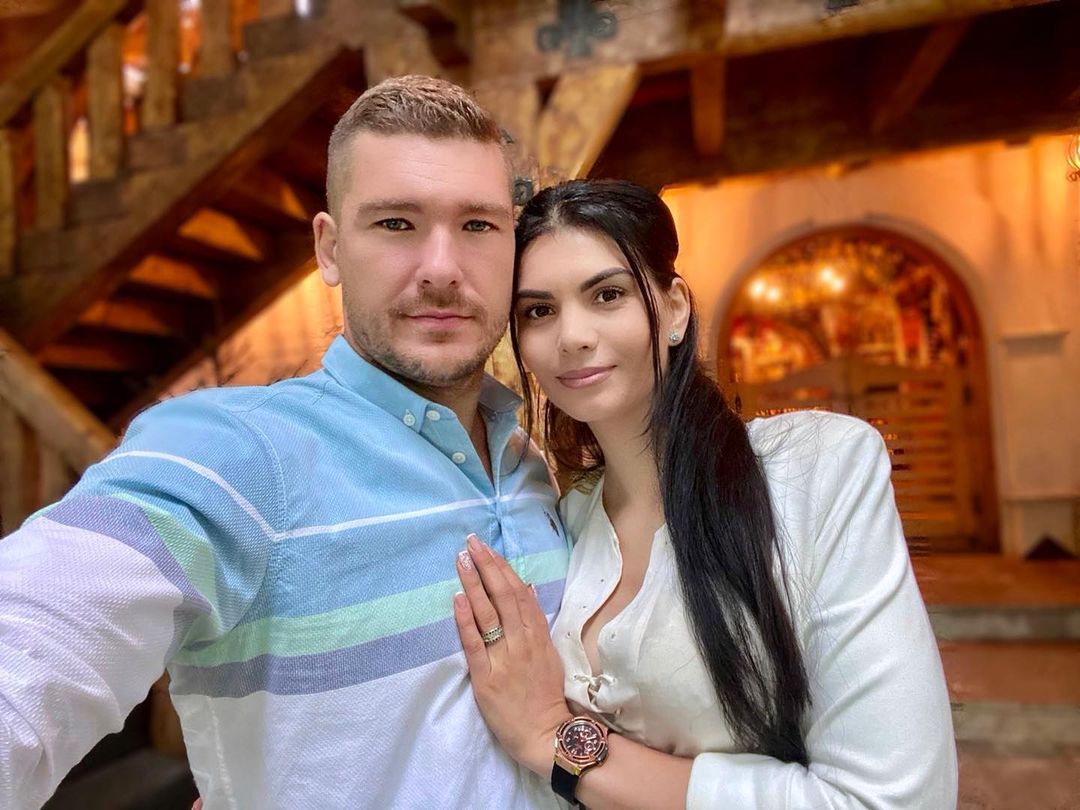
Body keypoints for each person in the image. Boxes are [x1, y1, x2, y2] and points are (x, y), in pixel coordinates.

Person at [0, 76, 569, 809]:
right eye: (396, 223)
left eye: (478, 225)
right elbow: (36, 639)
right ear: (330, 249)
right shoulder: (236, 453)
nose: (440, 268)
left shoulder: (529, 466)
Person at [452, 179, 958, 809]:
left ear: (674, 310)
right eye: (538, 311)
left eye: (607, 295)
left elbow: (894, 799)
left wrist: (555, 742)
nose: (571, 335)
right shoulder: (566, 519)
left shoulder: (814, 470)